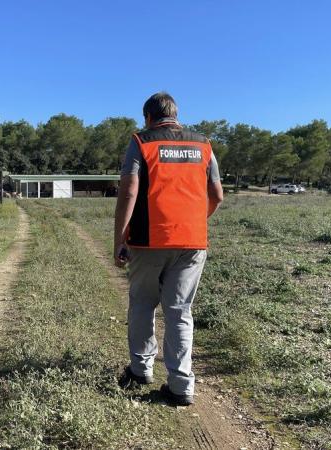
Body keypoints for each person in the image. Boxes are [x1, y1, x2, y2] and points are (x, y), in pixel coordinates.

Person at [113, 92, 224, 406]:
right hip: (192, 242)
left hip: (149, 240)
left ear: (148, 117)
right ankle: (181, 386)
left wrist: (120, 239)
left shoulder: (142, 142)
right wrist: (192, 221)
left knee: (142, 304)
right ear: (176, 115)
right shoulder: (203, 144)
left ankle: (140, 370)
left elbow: (129, 191)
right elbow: (216, 195)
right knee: (179, 312)